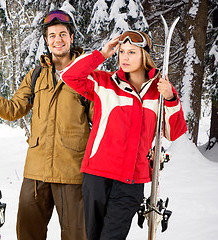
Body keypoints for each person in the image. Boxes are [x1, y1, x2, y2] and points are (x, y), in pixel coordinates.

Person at [0, 9, 91, 240]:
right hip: (36, 172)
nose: (57, 40)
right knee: (27, 234)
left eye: (62, 34)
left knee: (77, 236)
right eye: (52, 35)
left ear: (71, 37)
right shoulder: (35, 76)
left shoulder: (87, 75)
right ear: (46, 40)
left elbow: (102, 121)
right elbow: (12, 110)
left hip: (72, 173)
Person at [59, 31, 188, 240]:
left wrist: (171, 98)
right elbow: (69, 76)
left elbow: (173, 132)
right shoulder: (105, 83)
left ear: (144, 56)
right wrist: (102, 53)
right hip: (97, 176)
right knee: (92, 236)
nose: (125, 57)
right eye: (121, 52)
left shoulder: (160, 92)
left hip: (132, 180)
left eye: (132, 52)